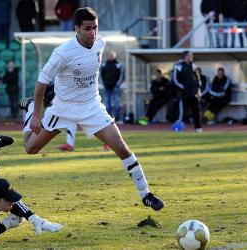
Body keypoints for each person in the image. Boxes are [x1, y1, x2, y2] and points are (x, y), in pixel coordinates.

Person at [19, 7, 164, 211]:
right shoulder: (62, 53)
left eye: (95, 28)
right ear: (76, 28)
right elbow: (41, 83)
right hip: (62, 109)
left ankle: (146, 194)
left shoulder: (100, 43)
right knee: (30, 148)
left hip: (92, 107)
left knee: (122, 148)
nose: (92, 33)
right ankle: (29, 109)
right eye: (87, 29)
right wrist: (36, 114)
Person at [171, 51, 202, 132]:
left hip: (194, 93)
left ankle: (198, 128)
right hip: (183, 94)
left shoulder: (193, 65)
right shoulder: (178, 66)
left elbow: (197, 77)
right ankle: (178, 128)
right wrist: (183, 87)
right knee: (182, 112)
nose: (191, 57)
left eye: (192, 55)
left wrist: (198, 86)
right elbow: (174, 79)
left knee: (196, 111)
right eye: (190, 55)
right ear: (185, 56)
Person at [100, 50, 124, 122]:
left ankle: (117, 118)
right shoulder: (103, 64)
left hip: (115, 87)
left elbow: (122, 76)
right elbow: (100, 75)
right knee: (107, 102)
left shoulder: (119, 64)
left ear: (115, 56)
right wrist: (103, 84)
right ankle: (108, 118)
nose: (111, 56)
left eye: (112, 55)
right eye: (110, 55)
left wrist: (117, 85)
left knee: (116, 102)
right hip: (106, 87)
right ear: (107, 56)